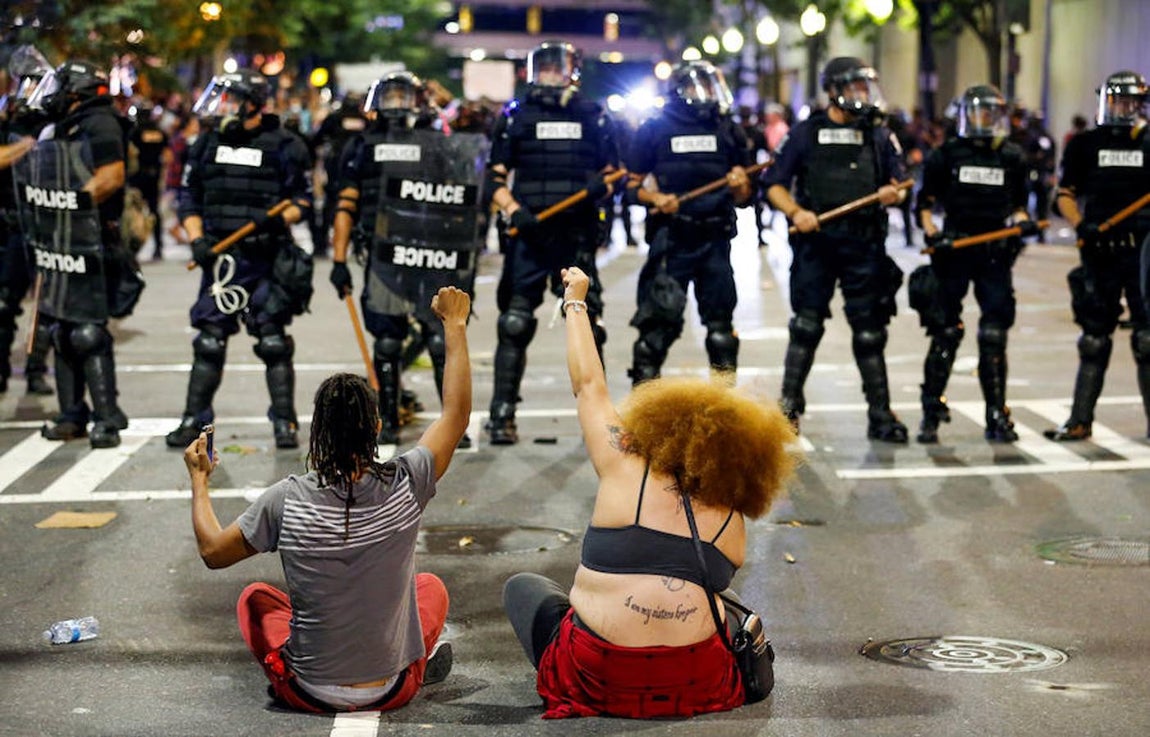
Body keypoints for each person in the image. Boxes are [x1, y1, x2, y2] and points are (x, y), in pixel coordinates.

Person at [502, 266, 795, 719]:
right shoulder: (730, 520)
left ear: (657, 423)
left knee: (524, 589)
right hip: (694, 680)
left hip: (597, 674)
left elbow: (588, 386)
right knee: (727, 608)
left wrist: (575, 301)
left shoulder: (624, 465)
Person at [182, 285, 472, 713]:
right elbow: (456, 414)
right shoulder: (406, 483)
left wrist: (199, 480)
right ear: (375, 427)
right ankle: (416, 660)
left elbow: (212, 551)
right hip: (393, 689)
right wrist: (455, 324)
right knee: (429, 589)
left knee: (256, 599)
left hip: (308, 690)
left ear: (316, 431)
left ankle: (289, 663)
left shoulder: (287, 499)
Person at [329, 71, 486, 445]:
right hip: (383, 257)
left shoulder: (437, 143)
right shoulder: (362, 145)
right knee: (386, 342)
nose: (397, 105)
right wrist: (338, 260)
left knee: (438, 338)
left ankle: (452, 423)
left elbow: (458, 202)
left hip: (429, 255)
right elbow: (346, 204)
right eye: (390, 97)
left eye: (404, 97)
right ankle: (388, 420)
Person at [165, 69, 314, 450]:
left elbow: (303, 202)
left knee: (273, 341)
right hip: (222, 260)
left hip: (267, 257)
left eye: (230, 99)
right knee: (210, 342)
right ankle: (192, 419)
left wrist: (278, 217)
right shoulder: (205, 144)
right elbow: (189, 199)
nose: (222, 107)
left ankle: (285, 422)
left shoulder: (285, 145)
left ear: (251, 104)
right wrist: (197, 239)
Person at [762, 56, 909, 441]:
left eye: (865, 87)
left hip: (864, 244)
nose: (862, 95)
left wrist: (892, 193)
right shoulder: (806, 132)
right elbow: (774, 182)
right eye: (854, 87)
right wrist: (796, 211)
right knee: (806, 327)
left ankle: (880, 416)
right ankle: (789, 409)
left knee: (870, 332)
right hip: (817, 245)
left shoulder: (878, 133)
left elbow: (903, 181)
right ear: (833, 91)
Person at [483, 40, 618, 445]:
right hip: (530, 233)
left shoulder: (593, 116)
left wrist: (600, 186)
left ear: (572, 72)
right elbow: (493, 176)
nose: (550, 75)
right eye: (543, 68)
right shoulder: (515, 117)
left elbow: (615, 173)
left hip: (575, 233)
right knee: (515, 321)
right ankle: (502, 413)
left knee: (588, 325)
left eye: (557, 68)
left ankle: (600, 418)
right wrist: (511, 208)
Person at [19, 60, 139, 448]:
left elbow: (111, 177)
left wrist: (70, 202)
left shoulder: (100, 121)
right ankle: (72, 414)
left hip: (92, 240)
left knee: (87, 332)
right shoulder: (62, 126)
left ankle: (106, 418)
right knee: (60, 329)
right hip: (60, 240)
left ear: (78, 90)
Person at [913, 84, 1036, 444]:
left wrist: (1020, 220)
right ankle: (931, 410)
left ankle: (996, 413)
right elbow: (924, 204)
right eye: (979, 112)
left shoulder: (1012, 156)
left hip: (995, 251)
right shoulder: (946, 154)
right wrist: (933, 234)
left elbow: (1018, 203)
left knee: (994, 334)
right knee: (946, 331)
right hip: (955, 249)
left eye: (991, 113)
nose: (985, 119)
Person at [624, 61, 752, 385]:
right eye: (700, 86)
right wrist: (655, 199)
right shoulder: (655, 128)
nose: (707, 94)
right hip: (672, 238)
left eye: (711, 86)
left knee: (722, 331)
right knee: (655, 331)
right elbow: (629, 185)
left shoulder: (727, 128)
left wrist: (740, 186)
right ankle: (642, 415)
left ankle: (723, 414)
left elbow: (748, 194)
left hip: (715, 237)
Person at [1045, 70, 1150, 441]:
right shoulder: (1086, 144)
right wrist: (1080, 225)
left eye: (1132, 102)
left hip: (1142, 254)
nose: (1124, 108)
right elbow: (1065, 193)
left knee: (1147, 339)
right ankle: (1080, 419)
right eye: (1118, 101)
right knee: (1093, 338)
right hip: (1100, 251)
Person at [0, 45, 53, 397]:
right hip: (13, 224)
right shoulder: (9, 124)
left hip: (47, 222)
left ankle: (36, 368)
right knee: (6, 302)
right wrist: (30, 143)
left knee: (47, 306)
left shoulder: (55, 122)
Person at [128, 100, 169, 259]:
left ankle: (133, 245)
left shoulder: (135, 132)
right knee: (154, 210)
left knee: (134, 212)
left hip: (138, 176)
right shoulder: (159, 132)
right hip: (154, 175)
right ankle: (158, 247)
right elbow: (167, 156)